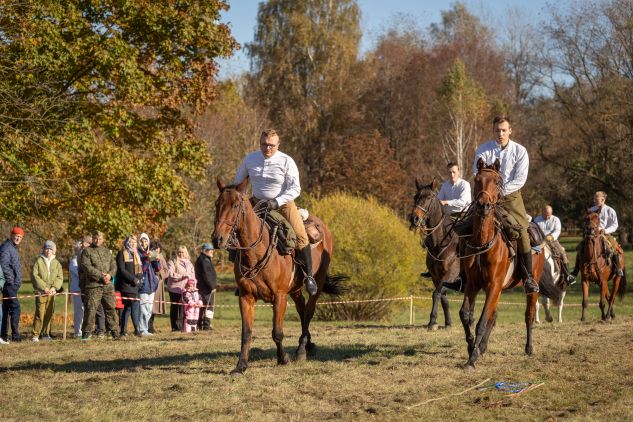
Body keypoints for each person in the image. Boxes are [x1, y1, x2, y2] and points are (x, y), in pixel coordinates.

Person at [233, 128, 317, 296]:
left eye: (271, 145)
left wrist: (277, 201)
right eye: (264, 144)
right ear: (260, 143)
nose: (267, 148)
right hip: (256, 203)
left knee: (300, 236)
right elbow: (238, 182)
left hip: (283, 204)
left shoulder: (287, 161)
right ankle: (241, 277)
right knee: (234, 230)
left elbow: (295, 188)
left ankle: (308, 276)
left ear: (278, 144)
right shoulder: (250, 159)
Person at [473, 116, 539, 293]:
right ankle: (461, 276)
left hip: (511, 199)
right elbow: (476, 173)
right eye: (497, 130)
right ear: (493, 130)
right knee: (462, 227)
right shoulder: (483, 150)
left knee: (522, 232)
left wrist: (500, 191)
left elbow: (520, 179)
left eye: (504, 130)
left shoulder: (520, 151)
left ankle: (529, 278)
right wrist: (487, 192)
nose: (500, 133)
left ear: (510, 130)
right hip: (485, 197)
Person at [421, 162, 472, 277]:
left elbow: (463, 202)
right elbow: (438, 200)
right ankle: (431, 266)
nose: (452, 174)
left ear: (458, 172)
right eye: (450, 172)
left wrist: (447, 202)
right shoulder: (445, 185)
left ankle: (463, 267)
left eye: (454, 172)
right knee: (433, 235)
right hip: (448, 217)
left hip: (463, 216)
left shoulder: (465, 185)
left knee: (462, 239)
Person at [570, 191, 624, 278]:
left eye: (596, 197)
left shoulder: (610, 210)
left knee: (613, 247)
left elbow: (615, 225)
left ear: (603, 199)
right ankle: (575, 271)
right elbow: (587, 222)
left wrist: (605, 230)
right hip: (591, 234)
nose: (594, 199)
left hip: (605, 234)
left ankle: (618, 268)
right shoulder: (591, 210)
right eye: (594, 197)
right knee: (581, 247)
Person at [80, 230, 119, 340]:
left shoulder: (107, 251)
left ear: (103, 240)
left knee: (111, 308)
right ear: (92, 238)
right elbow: (86, 267)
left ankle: (114, 331)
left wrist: (110, 275)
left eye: (100, 239)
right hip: (94, 285)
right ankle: (86, 333)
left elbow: (113, 265)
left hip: (107, 285)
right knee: (91, 309)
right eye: (96, 238)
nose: (98, 240)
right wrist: (101, 276)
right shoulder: (87, 251)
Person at [31, 240, 63, 341]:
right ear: (43, 250)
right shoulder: (38, 261)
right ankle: (35, 334)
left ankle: (45, 334)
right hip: (41, 292)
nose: (48, 251)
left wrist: (54, 288)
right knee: (40, 313)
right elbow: (34, 276)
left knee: (49, 313)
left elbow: (59, 277)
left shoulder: (57, 263)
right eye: (46, 248)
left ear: (54, 251)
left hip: (52, 293)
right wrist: (44, 287)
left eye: (50, 249)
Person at [533, 205, 575, 284]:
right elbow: (534, 230)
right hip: (539, 242)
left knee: (562, 254)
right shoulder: (537, 220)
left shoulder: (556, 219)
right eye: (546, 214)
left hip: (552, 241)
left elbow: (557, 230)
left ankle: (567, 275)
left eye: (549, 214)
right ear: (542, 212)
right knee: (531, 252)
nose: (548, 216)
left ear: (551, 213)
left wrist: (551, 237)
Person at [0, 227, 25, 342]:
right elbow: (4, 265)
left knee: (6, 309)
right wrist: (11, 281)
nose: (18, 238)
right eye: (16, 235)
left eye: (20, 237)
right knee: (16, 307)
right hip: (9, 285)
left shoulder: (13, 248)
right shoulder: (6, 248)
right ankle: (15, 336)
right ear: (11, 235)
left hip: (12, 285)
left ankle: (4, 335)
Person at [115, 235, 142, 337]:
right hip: (126, 285)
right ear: (126, 242)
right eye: (130, 241)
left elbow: (140, 269)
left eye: (134, 242)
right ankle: (136, 330)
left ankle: (123, 330)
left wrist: (139, 278)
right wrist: (133, 279)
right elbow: (122, 270)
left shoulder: (136, 254)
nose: (132, 243)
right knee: (133, 305)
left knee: (128, 307)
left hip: (135, 285)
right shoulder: (122, 253)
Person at [167, 245, 196, 332]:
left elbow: (193, 276)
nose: (181, 254)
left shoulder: (189, 263)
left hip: (186, 290)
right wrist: (183, 276)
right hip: (175, 289)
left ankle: (183, 326)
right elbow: (171, 274)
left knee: (184, 309)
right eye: (179, 252)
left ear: (186, 253)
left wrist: (194, 286)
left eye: (183, 252)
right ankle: (175, 327)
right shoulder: (172, 261)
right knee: (175, 308)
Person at [137, 233, 160, 336]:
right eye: (142, 241)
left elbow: (157, 269)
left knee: (149, 309)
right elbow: (142, 269)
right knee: (143, 308)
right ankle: (142, 330)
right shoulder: (137, 253)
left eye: (145, 241)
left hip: (151, 285)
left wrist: (156, 259)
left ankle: (145, 329)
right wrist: (147, 259)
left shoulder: (150, 252)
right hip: (143, 285)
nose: (144, 243)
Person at [195, 243, 217, 330]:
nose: (212, 252)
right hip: (206, 288)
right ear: (205, 251)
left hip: (202, 287)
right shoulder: (205, 260)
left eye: (212, 250)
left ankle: (200, 324)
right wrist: (212, 286)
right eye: (210, 250)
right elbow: (206, 275)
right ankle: (206, 325)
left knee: (203, 306)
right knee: (208, 306)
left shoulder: (202, 259)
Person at [149, 240, 168, 333]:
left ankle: (151, 325)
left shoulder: (161, 257)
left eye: (158, 247)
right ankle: (148, 326)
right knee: (150, 305)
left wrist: (161, 274)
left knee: (155, 307)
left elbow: (166, 270)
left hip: (159, 284)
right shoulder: (151, 256)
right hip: (151, 283)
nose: (157, 249)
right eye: (154, 248)